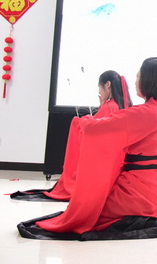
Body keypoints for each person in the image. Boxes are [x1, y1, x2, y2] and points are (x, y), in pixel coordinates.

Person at [17, 57, 157, 240]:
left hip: (137, 190)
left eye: (138, 76)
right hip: (156, 187)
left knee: (91, 213)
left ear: (149, 79)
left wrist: (82, 121)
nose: (135, 81)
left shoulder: (144, 112)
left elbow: (96, 129)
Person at [10, 70, 132, 202]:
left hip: (101, 157)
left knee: (76, 123)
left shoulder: (109, 106)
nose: (99, 92)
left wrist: (78, 122)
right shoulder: (119, 106)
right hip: (112, 159)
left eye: (99, 88)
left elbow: (93, 129)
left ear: (107, 85)